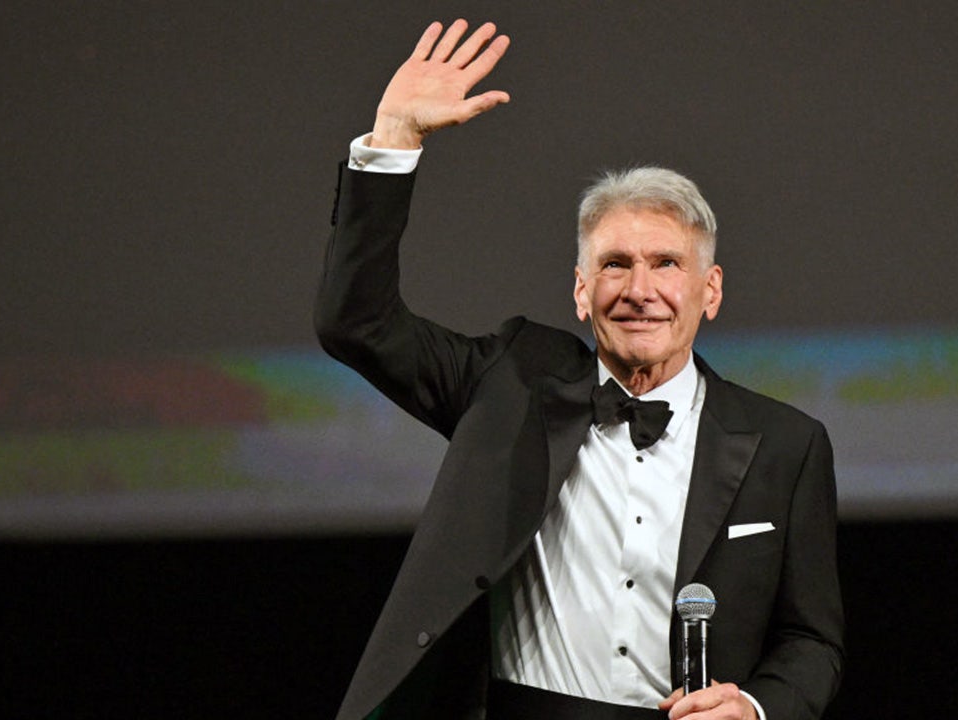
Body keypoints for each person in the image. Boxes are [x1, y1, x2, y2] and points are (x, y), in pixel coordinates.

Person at [315, 19, 844, 720]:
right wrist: (394, 137)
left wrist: (753, 707)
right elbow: (356, 323)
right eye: (615, 264)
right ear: (580, 290)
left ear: (710, 290)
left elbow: (812, 640)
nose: (640, 290)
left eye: (666, 264)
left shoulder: (787, 445)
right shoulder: (510, 383)